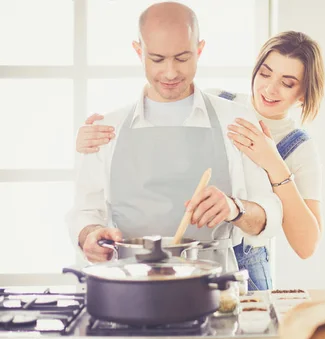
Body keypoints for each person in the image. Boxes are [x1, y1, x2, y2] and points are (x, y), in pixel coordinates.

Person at [66, 2, 283, 291]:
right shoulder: (106, 129)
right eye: (157, 59)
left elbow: (268, 218)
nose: (170, 73)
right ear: (138, 51)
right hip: (130, 290)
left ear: (200, 49)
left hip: (215, 291)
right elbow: (85, 212)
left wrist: (235, 208)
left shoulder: (237, 120)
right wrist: (89, 235)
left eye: (182, 58)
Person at [76, 30, 325, 261]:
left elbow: (306, 246)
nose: (270, 88)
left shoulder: (299, 148)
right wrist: (98, 137)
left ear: (303, 93)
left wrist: (273, 163)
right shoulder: (216, 105)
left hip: (244, 264)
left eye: (287, 83)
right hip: (186, 256)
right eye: (265, 73)